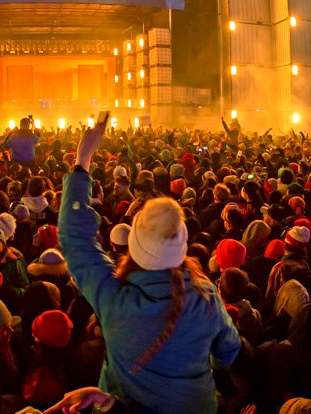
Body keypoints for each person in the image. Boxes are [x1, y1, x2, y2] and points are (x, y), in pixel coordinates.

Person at [58, 116, 241, 413]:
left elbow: (75, 239)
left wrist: (83, 160)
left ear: (134, 244)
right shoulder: (206, 296)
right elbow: (229, 349)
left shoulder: (114, 300)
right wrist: (213, 370)